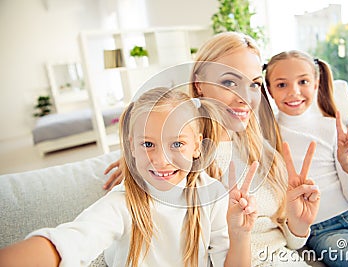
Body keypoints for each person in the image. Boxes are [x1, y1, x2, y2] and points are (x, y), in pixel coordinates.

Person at [103, 32, 321, 266]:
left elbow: (288, 243)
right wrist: (141, 155)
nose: (245, 98)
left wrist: (299, 225)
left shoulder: (262, 150)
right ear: (199, 84)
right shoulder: (182, 159)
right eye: (229, 82)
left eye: (254, 84)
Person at [0, 87, 259, 267]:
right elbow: (73, 241)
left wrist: (240, 234)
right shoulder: (123, 203)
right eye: (148, 144)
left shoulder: (211, 195)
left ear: (197, 148)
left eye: (177, 144)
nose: (161, 160)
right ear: (131, 149)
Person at [264, 50, 348, 266]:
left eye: (303, 81)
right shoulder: (267, 139)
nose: (294, 92)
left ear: (316, 84)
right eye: (282, 85)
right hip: (326, 233)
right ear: (269, 89)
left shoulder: (332, 128)